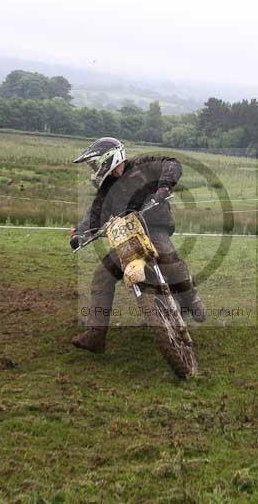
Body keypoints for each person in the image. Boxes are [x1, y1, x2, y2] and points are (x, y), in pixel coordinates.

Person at [69, 137, 206, 353]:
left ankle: (191, 300)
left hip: (154, 226)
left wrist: (163, 189)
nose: (94, 169)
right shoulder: (106, 188)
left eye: (95, 163)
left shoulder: (142, 166)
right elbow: (95, 214)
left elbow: (172, 164)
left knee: (169, 258)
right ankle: (95, 335)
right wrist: (80, 233)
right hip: (128, 238)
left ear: (109, 158)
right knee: (102, 277)